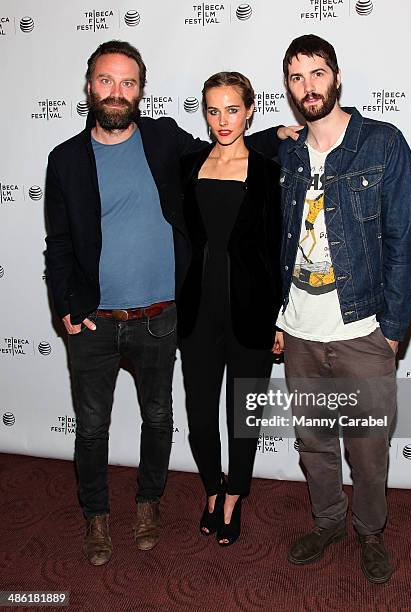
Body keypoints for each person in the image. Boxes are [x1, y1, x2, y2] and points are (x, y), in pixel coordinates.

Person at [45, 40, 297, 566]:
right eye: (107, 81)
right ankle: (99, 517)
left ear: (141, 90)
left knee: (167, 419)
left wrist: (275, 135)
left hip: (167, 316)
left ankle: (163, 504)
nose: (117, 92)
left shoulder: (162, 138)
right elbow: (60, 241)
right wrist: (64, 301)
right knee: (95, 429)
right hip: (107, 318)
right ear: (89, 86)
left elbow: (272, 227)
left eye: (128, 83)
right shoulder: (67, 159)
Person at [273, 35, 411, 583]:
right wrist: (277, 317)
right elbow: (271, 236)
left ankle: (370, 532)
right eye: (295, 77)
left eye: (316, 73)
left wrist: (393, 328)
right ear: (287, 87)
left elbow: (404, 239)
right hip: (300, 330)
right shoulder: (286, 152)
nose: (307, 86)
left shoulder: (381, 144)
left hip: (363, 328)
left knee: (367, 449)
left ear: (336, 76)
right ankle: (328, 521)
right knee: (313, 441)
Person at [177, 72, 282, 546]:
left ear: (250, 110)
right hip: (198, 308)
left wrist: (282, 315)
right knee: (200, 412)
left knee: (244, 412)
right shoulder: (187, 165)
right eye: (213, 110)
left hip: (253, 310)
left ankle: (235, 495)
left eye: (232, 109)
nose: (223, 120)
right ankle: (211, 487)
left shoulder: (267, 169)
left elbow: (278, 245)